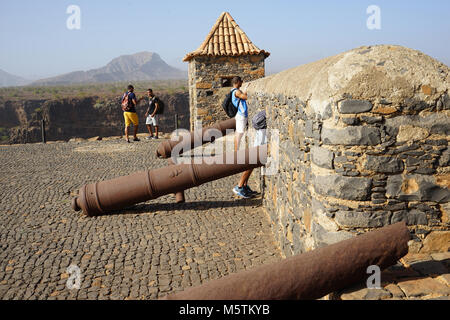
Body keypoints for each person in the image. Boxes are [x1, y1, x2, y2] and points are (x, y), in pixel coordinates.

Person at [231, 76, 258, 199]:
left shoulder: (236, 91)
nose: (242, 83)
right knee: (239, 133)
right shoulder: (236, 92)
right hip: (241, 116)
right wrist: (246, 90)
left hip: (241, 116)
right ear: (237, 82)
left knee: (240, 133)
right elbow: (245, 97)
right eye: (241, 82)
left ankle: (244, 186)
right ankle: (237, 150)